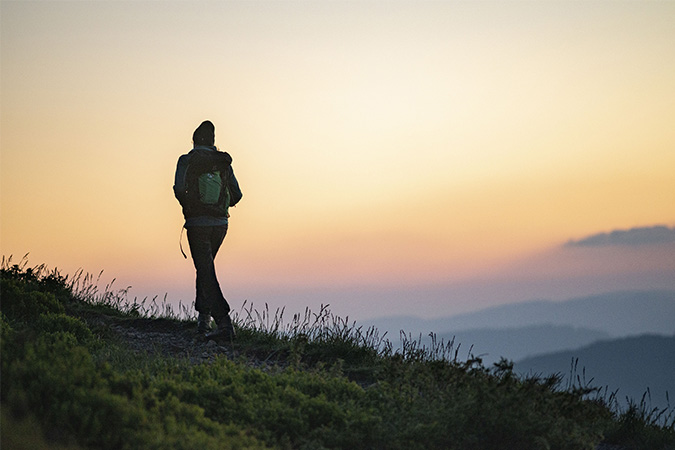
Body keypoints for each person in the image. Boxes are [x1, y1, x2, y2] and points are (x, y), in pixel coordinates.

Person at [173, 120, 242, 340]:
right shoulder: (222, 163)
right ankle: (203, 322)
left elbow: (177, 188)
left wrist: (191, 206)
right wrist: (218, 206)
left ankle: (224, 324)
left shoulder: (187, 160)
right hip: (220, 225)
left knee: (205, 270)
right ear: (213, 142)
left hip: (197, 224)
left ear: (194, 141)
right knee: (205, 269)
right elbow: (237, 195)